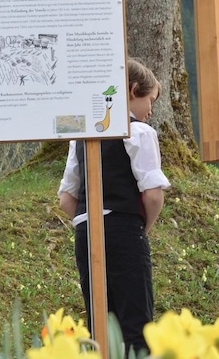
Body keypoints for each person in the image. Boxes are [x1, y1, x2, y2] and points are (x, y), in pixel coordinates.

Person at [57, 58, 170, 353]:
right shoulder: (140, 131)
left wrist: (91, 220)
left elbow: (66, 199)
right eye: (150, 100)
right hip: (123, 229)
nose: (150, 110)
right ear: (133, 91)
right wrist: (141, 227)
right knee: (136, 325)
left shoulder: (81, 137)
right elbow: (153, 194)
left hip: (85, 232)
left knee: (100, 326)